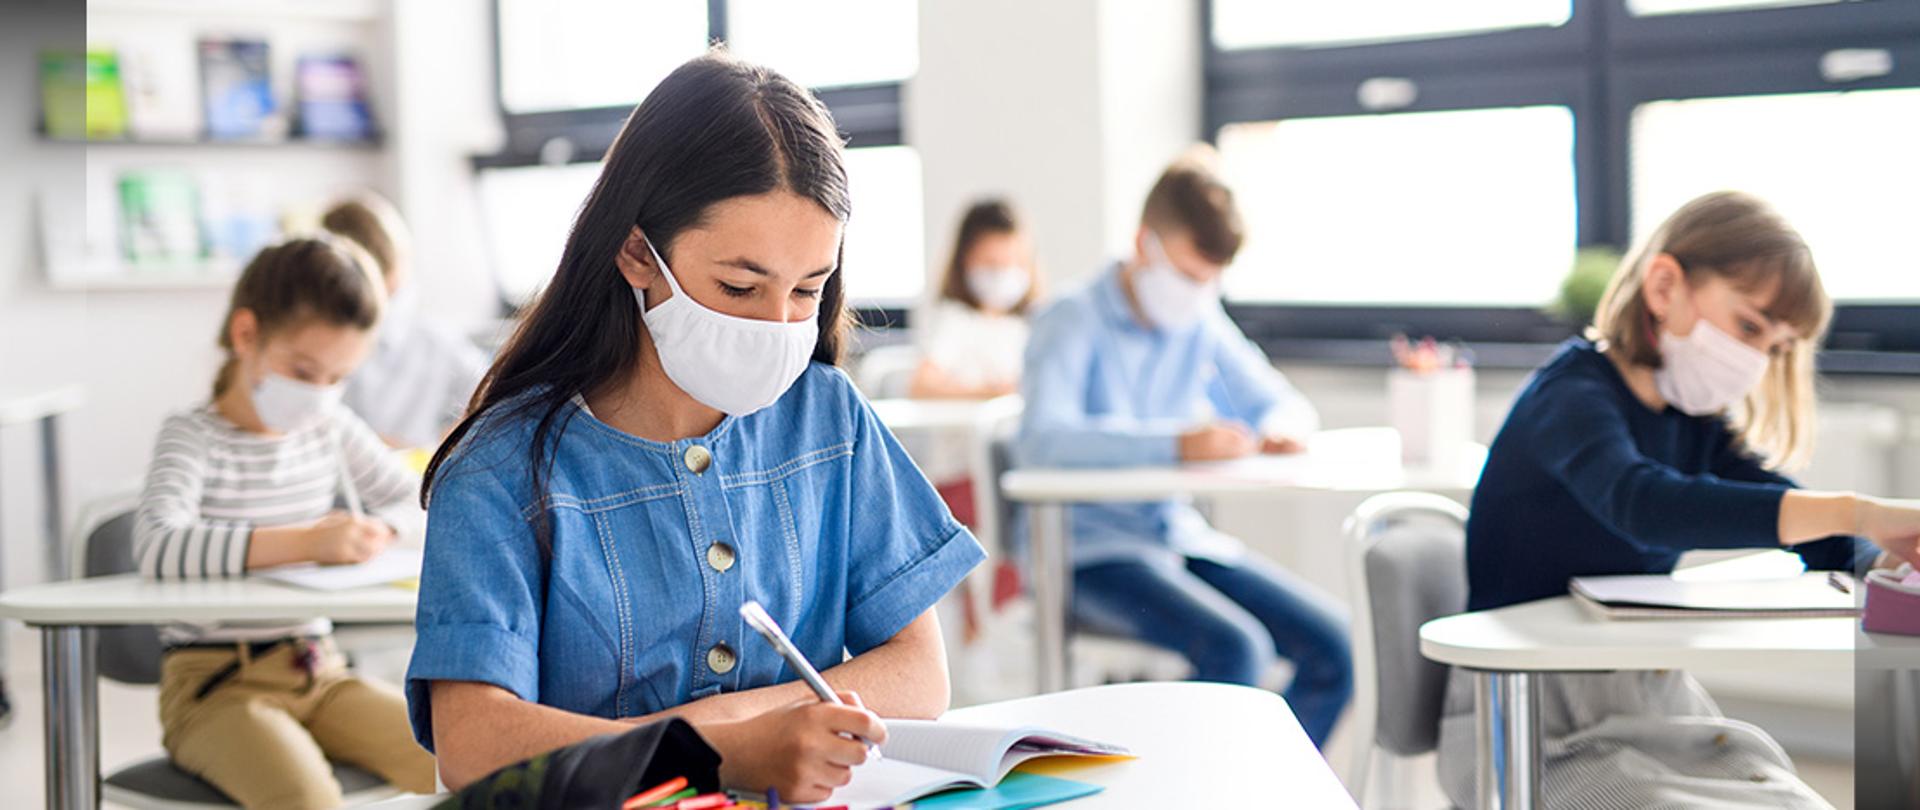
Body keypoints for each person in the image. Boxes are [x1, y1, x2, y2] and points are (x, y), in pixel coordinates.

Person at [405, 52, 985, 804]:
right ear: (638, 252)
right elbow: (475, 745)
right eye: (739, 286)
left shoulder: (829, 418)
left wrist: (731, 725)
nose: (777, 325)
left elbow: (917, 672)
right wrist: (717, 751)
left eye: (808, 289)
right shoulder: (503, 468)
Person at [1436, 190, 1920, 808]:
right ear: (1664, 287)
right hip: (1525, 721)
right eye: (1749, 326)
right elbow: (1643, 503)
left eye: (1773, 347)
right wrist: (1862, 509)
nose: (1754, 361)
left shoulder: (1693, 422)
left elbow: (1809, 527)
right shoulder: (1570, 397)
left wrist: (1886, 562)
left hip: (1647, 705)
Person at [1015, 147, 1352, 748]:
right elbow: (1042, 440)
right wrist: (1176, 444)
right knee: (1238, 649)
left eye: (1211, 280)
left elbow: (1281, 399)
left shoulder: (1199, 317)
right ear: (1146, 244)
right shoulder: (1071, 319)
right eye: (1191, 276)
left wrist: (1281, 426)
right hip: (1089, 555)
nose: (1200, 292)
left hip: (1175, 537)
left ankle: (1259, 790)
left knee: (1334, 646)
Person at [134, 236, 436, 808]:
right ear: (246, 336)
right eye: (304, 370)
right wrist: (307, 543)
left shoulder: (330, 428)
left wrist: (379, 532)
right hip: (216, 689)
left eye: (337, 377)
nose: (320, 394)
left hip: (320, 674)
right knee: (307, 798)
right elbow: (159, 545)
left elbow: (423, 499)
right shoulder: (191, 436)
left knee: (458, 756)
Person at [323, 193, 489, 449]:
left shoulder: (437, 342)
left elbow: (491, 396)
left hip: (413, 469)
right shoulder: (325, 345)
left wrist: (441, 446)